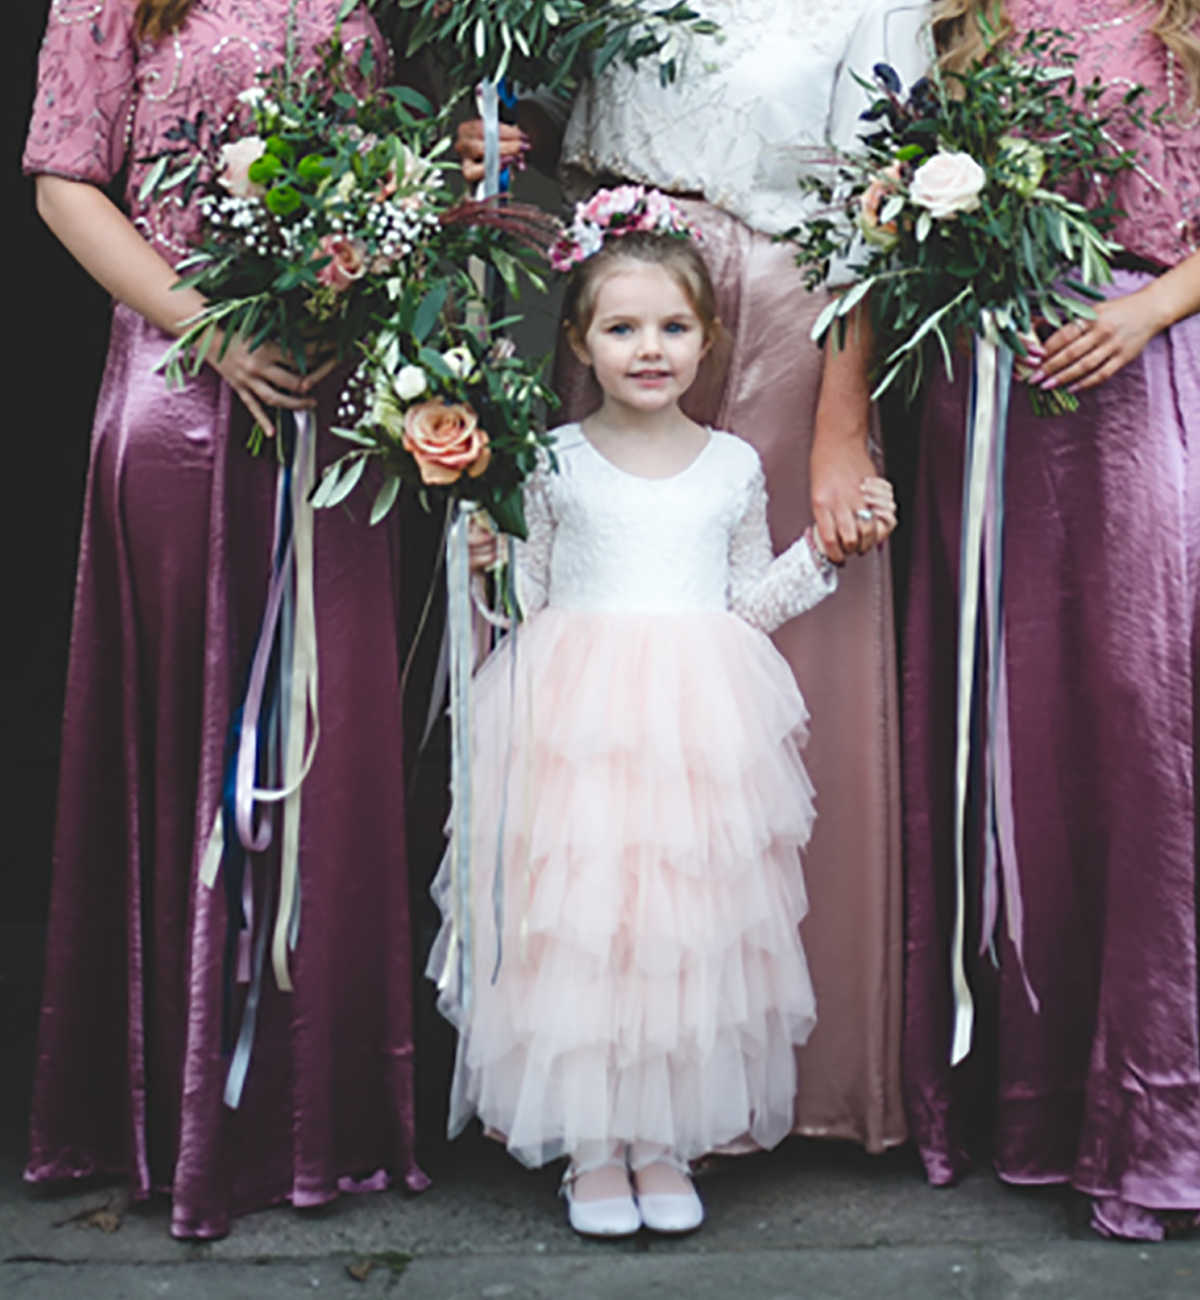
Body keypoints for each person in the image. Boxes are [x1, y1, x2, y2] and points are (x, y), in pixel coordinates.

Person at [456, 0, 933, 1158]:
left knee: (750, 686)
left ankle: (765, 1077)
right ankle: (600, 1081)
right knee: (607, 697)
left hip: (778, 310)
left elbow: (883, 205)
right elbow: (551, 108)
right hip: (624, 296)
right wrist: (484, 138)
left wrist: (841, 424)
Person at [23, 0, 426, 1238]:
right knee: (198, 747)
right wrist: (209, 321)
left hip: (340, 400)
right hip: (182, 392)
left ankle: (327, 1119)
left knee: (332, 741)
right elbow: (64, 184)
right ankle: (184, 1113)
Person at [429, 190, 898, 1237]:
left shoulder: (732, 467)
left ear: (709, 341)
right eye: (622, 328)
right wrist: (487, 564)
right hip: (574, 720)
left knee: (678, 932)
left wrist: (823, 551)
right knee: (589, 928)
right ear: (582, 343)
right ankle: (593, 1147)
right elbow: (528, 604)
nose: (651, 349)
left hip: (697, 725)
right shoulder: (550, 462)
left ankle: (661, 1139)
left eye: (674, 328)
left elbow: (745, 606)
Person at [903, 0, 1200, 1240]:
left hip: (1152, 359)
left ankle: (1161, 1110)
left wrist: (1147, 309)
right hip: (996, 396)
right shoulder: (967, 23)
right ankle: (1032, 1101)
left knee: (1151, 717)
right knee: (1023, 732)